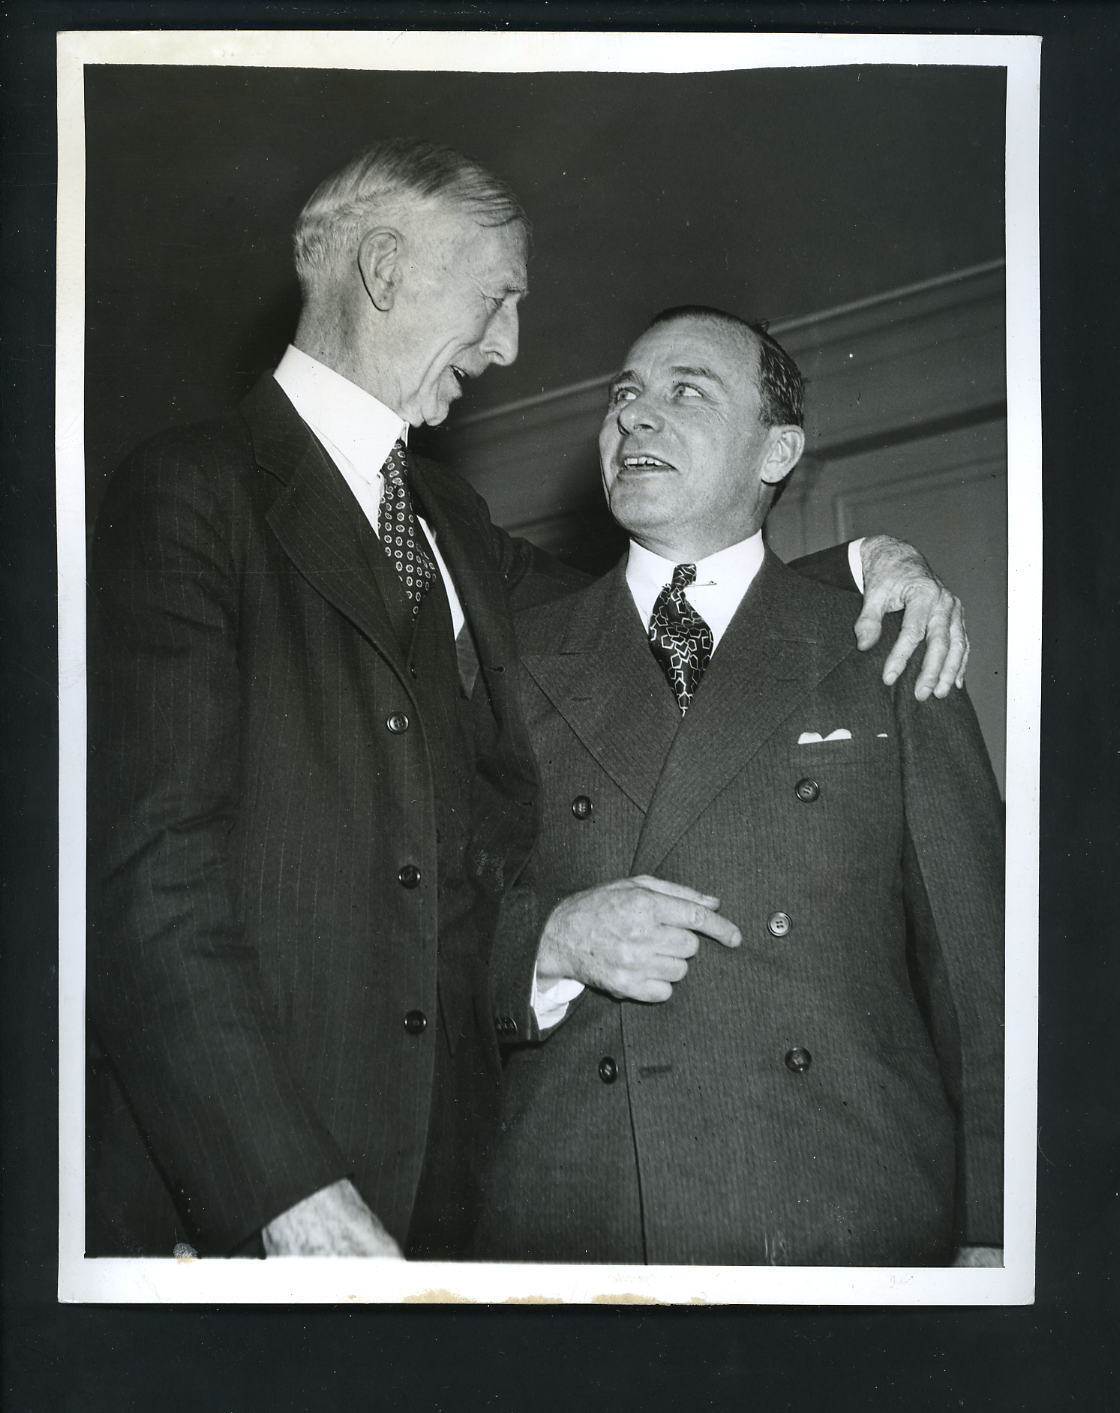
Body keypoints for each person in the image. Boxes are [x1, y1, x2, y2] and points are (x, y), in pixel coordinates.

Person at [86, 141, 969, 1261]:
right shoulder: (189, 488)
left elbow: (674, 597)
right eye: (497, 298)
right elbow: (147, 878)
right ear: (390, 270)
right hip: (275, 1186)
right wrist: (282, 1185)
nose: (509, 347)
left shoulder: (445, 518)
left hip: (445, 1179)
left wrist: (864, 562)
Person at [474, 307, 1003, 1267]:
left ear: (778, 449)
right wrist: (547, 942)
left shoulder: (883, 640)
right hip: (580, 1219)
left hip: (841, 1211)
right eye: (624, 396)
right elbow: (412, 926)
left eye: (686, 392)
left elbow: (982, 969)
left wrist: (996, 1233)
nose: (636, 417)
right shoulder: (506, 661)